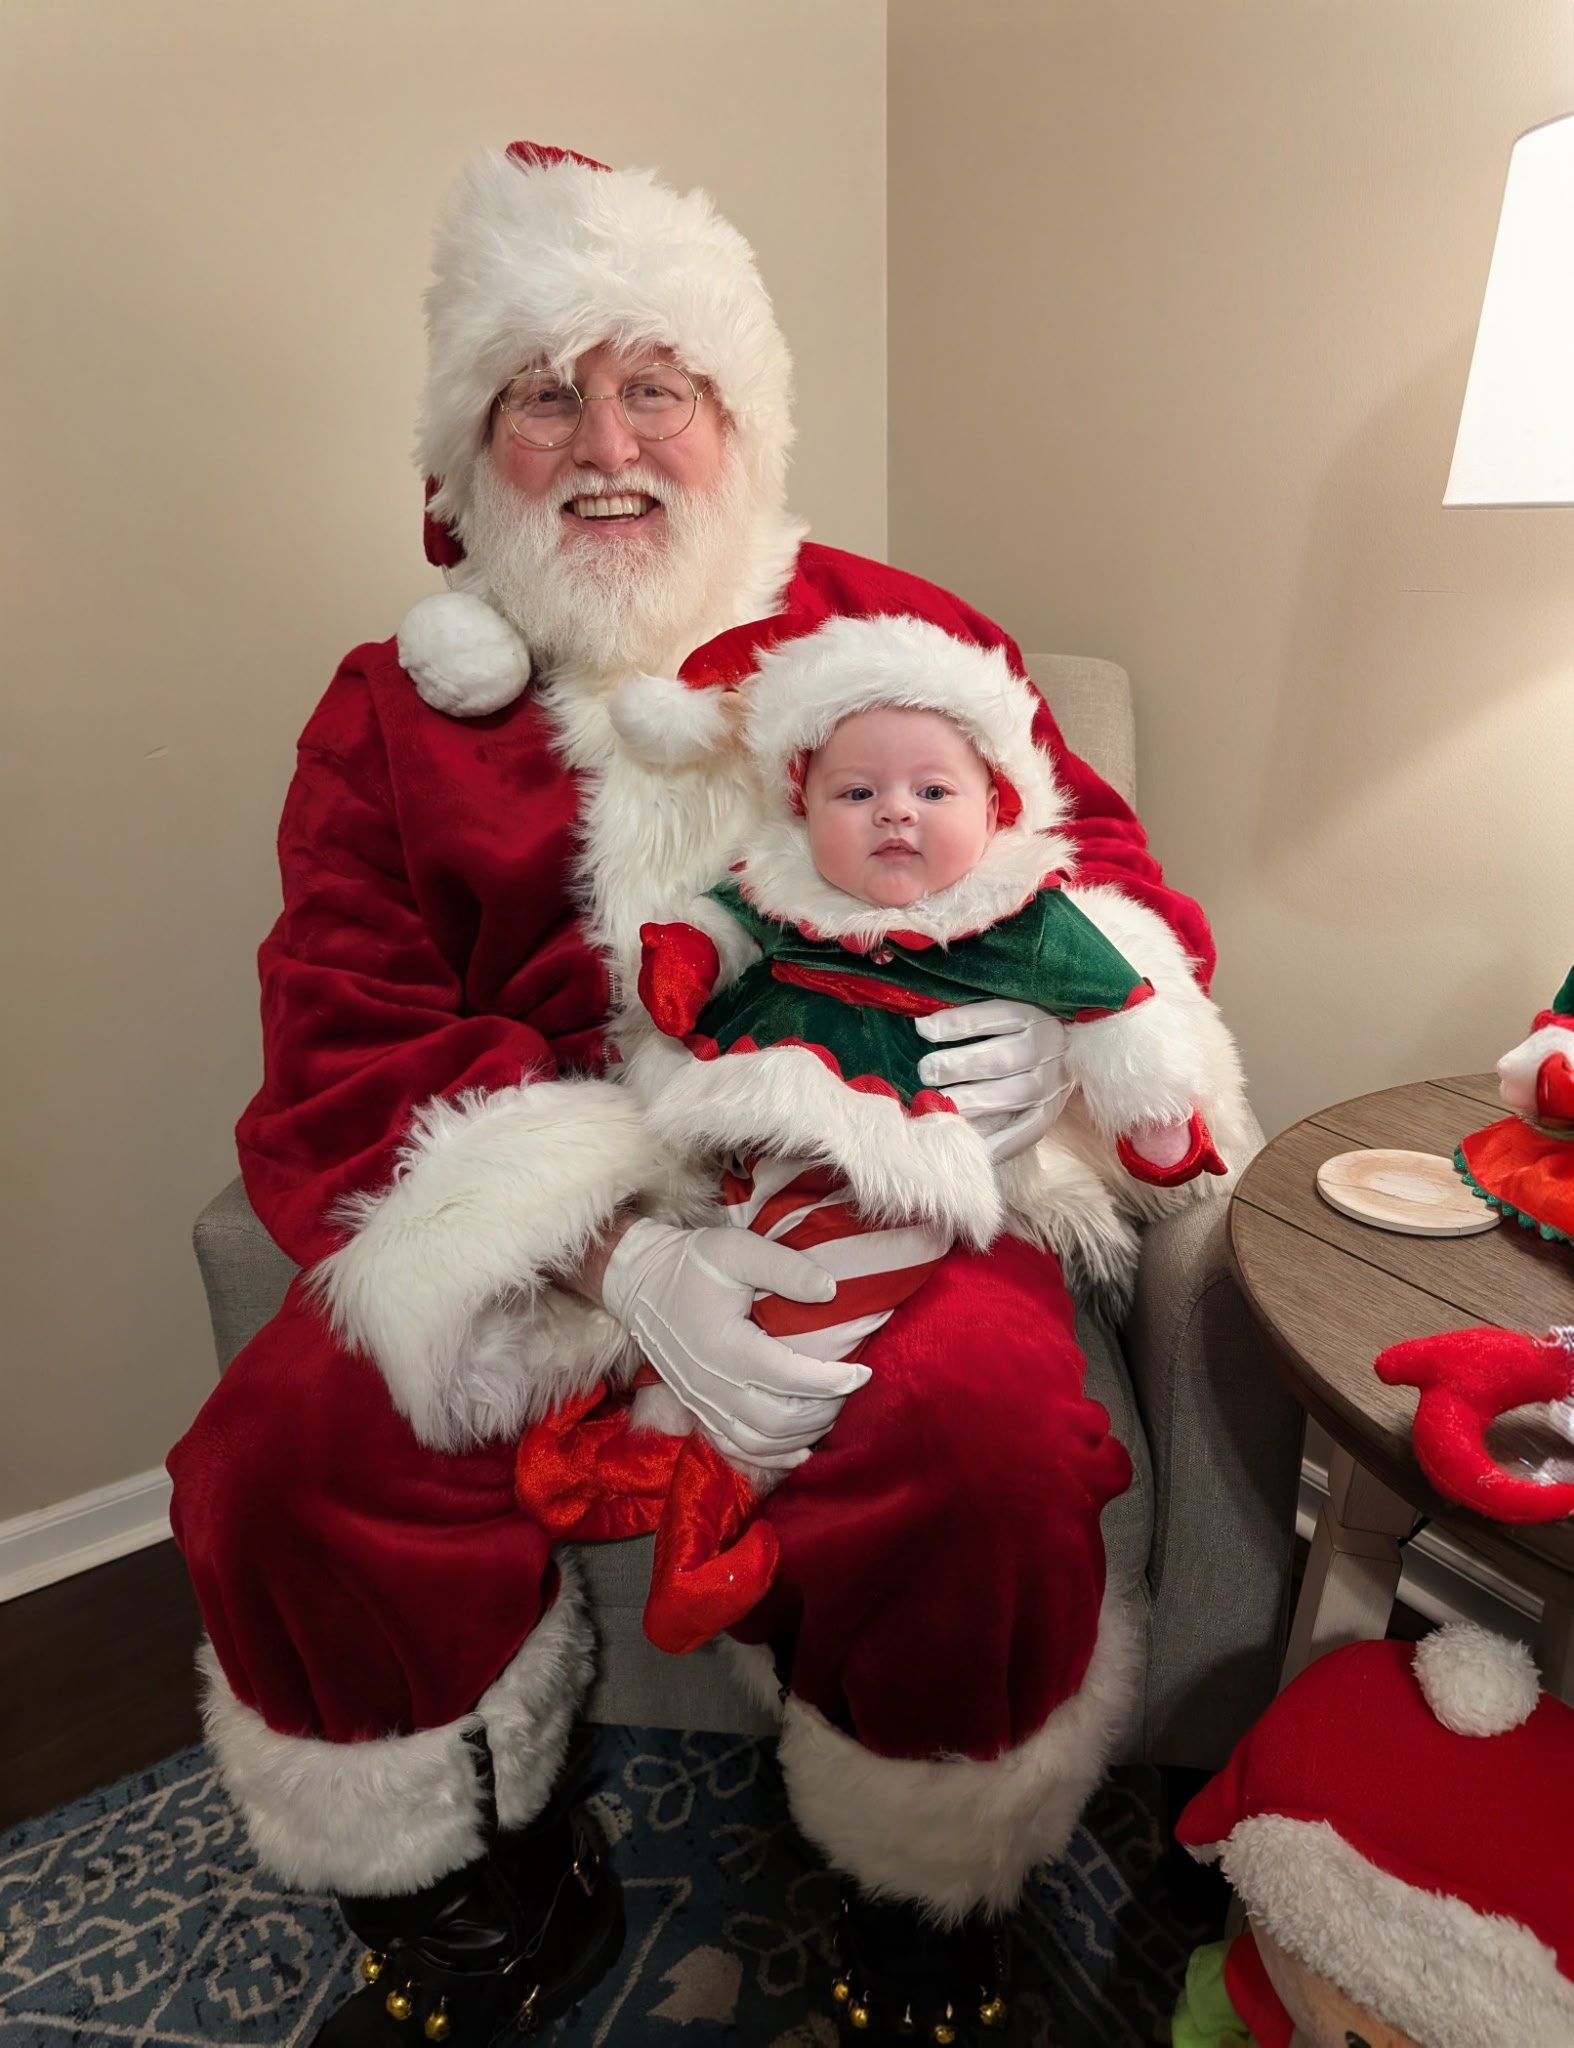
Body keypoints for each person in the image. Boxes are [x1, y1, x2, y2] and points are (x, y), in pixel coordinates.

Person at [166, 138, 1250, 2047]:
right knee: (279, 1453)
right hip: (534, 1195)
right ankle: (467, 1882)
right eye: (538, 393)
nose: (602, 437)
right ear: (460, 454)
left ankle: (910, 1879)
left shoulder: (902, 632)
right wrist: (598, 1236)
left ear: (730, 415)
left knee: (985, 1434)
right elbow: (340, 1035)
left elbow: (1116, 887)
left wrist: (1051, 1039)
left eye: (650, 380)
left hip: (877, 1172)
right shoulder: (386, 714)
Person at [517, 613, 1229, 1664]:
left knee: (808, 1331)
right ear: (802, 807)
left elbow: (1125, 1014)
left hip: (936, 1157)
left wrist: (1157, 1127)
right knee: (743, 1282)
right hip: (766, 1140)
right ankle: (664, 1444)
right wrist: (682, 962)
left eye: (931, 791)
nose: (894, 811)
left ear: (995, 806)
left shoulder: (1022, 911)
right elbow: (712, 927)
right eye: (856, 793)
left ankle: (706, 1512)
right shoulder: (781, 887)